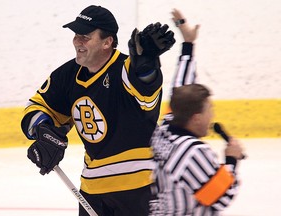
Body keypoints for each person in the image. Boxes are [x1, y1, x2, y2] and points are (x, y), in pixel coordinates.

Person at [21, 5, 175, 216]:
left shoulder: (127, 68)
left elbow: (146, 93)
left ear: (107, 42)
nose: (77, 41)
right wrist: (43, 130)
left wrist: (147, 67)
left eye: (85, 36)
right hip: (92, 189)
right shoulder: (67, 75)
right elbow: (38, 106)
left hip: (140, 187)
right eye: (76, 35)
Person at [148, 9, 244, 215]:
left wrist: (188, 44)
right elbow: (220, 196)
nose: (212, 115)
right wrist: (231, 160)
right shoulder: (193, 152)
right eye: (210, 110)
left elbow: (182, 87)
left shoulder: (165, 128)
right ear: (196, 117)